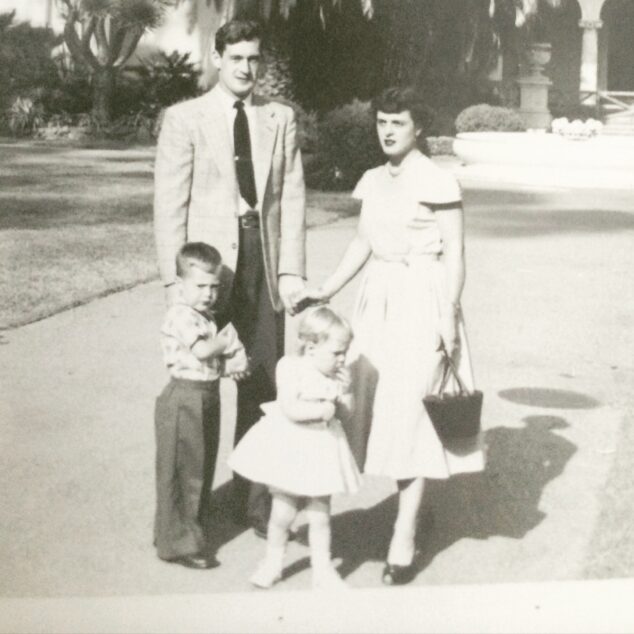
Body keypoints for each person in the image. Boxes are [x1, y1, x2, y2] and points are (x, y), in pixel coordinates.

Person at [299, 87, 485, 585]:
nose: (386, 130)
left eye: (397, 123)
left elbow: (456, 253)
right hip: (376, 302)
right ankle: (407, 511)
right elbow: (363, 240)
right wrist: (326, 289)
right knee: (366, 405)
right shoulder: (373, 179)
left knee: (411, 415)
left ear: (417, 127)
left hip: (422, 301)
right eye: (381, 121)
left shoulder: (438, 181)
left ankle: (404, 533)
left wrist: (448, 317)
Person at [153, 19, 307, 538]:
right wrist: (177, 291)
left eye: (254, 58)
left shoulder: (279, 118)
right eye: (236, 57)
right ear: (217, 58)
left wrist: (288, 271)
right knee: (199, 391)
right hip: (207, 275)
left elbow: (291, 199)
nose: (246, 68)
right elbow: (169, 206)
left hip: (261, 270)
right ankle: (188, 518)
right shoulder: (185, 119)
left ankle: (255, 498)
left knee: (262, 383)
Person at [228, 307, 361, 589]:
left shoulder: (337, 375)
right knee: (282, 513)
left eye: (345, 352)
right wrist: (323, 409)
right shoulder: (290, 367)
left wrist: (346, 394)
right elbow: (290, 408)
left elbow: (347, 414)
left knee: (320, 514)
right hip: (293, 448)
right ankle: (273, 564)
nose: (342, 359)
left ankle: (323, 570)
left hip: (322, 449)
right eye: (337, 352)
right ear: (311, 347)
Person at [154, 242, 249, 569]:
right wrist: (226, 342)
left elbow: (213, 362)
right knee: (184, 470)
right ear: (180, 284)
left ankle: (180, 530)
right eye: (200, 286)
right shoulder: (180, 314)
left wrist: (232, 364)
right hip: (184, 399)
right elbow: (202, 352)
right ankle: (179, 544)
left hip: (206, 395)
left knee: (201, 465)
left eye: (214, 286)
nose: (209, 293)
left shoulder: (204, 315)